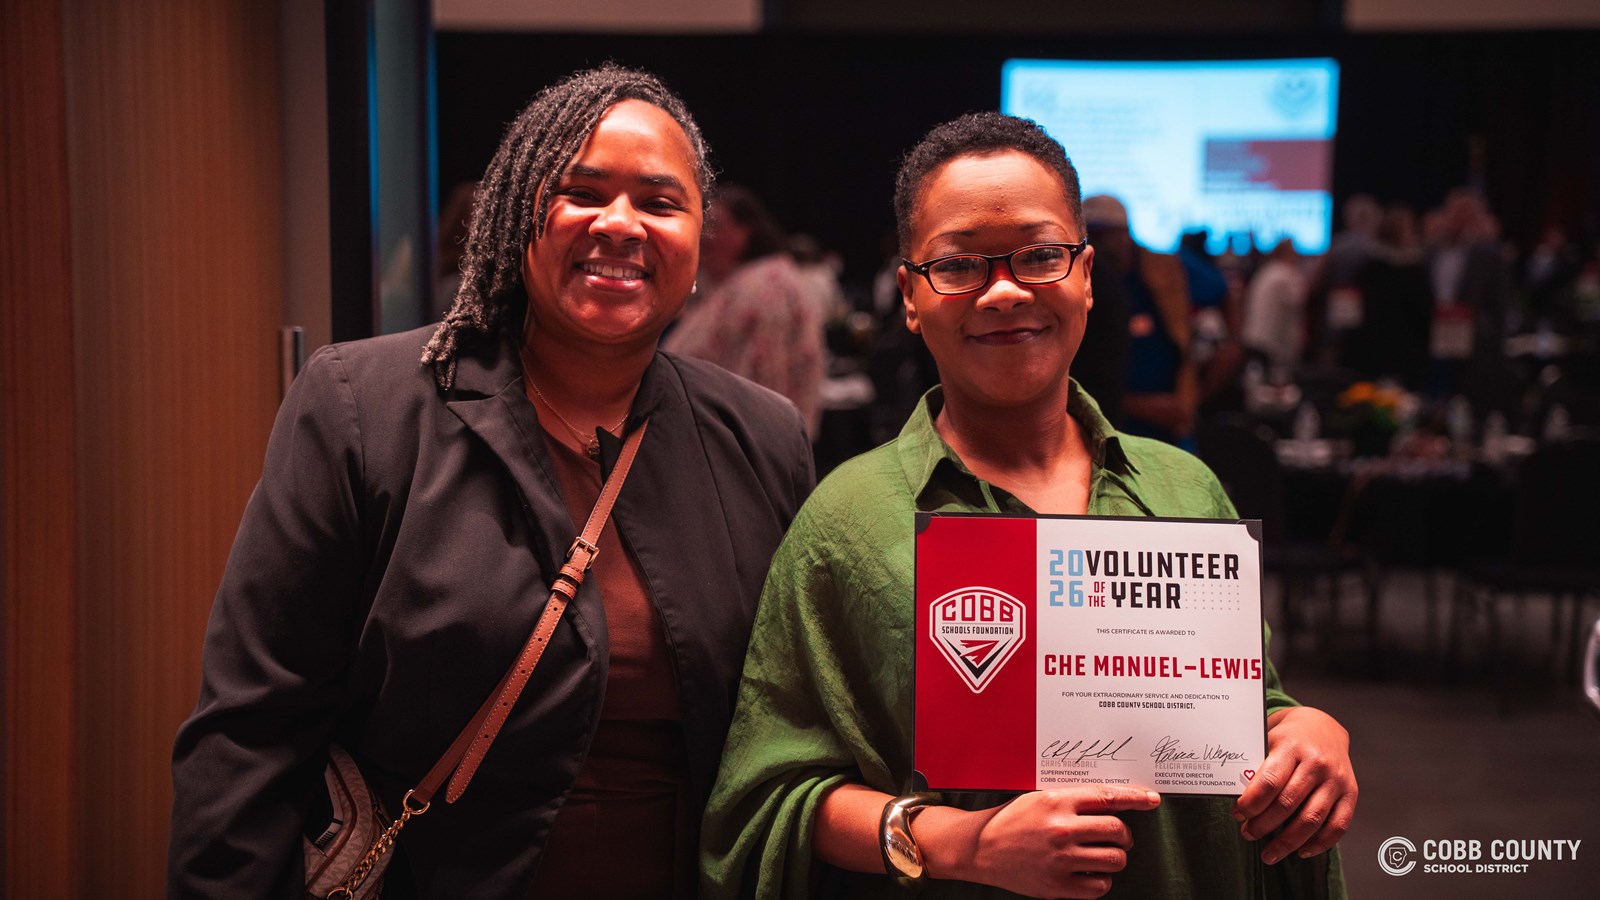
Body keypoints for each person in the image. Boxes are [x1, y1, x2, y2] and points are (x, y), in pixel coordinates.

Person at [168, 65, 815, 899]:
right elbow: (250, 732)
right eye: (581, 191)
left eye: (659, 203)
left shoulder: (760, 438)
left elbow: (787, 735)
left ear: (698, 246)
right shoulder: (364, 406)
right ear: (516, 214)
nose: (620, 225)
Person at [702, 112, 1355, 899]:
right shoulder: (848, 521)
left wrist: (1307, 732)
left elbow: (1246, 712)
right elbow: (770, 798)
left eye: (1041, 255)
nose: (1005, 291)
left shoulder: (1184, 489)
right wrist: (959, 844)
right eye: (959, 265)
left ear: (1083, 274)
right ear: (910, 295)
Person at [664, 185, 827, 437]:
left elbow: (766, 385)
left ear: (746, 230)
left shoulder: (766, 286)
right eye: (700, 226)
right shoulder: (741, 283)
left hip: (743, 449)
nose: (703, 236)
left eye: (714, 226)